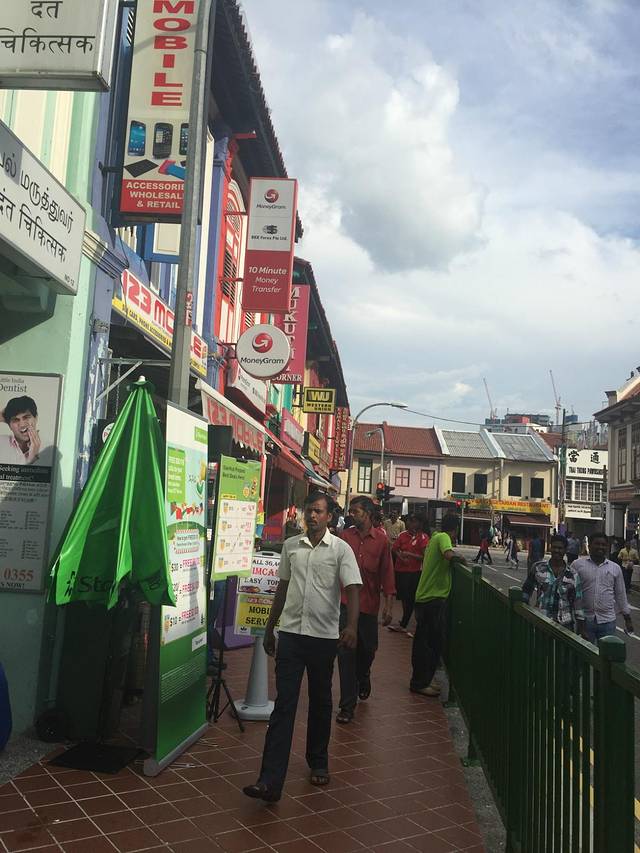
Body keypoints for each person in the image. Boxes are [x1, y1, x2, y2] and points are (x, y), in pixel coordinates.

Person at [243, 492, 362, 802]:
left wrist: (351, 626)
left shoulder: (341, 549)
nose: (312, 516)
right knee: (284, 705)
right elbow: (282, 588)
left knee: (321, 701)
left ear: (329, 516)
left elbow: (353, 589)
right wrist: (270, 628)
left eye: (318, 511)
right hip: (292, 635)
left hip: (323, 638)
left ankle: (318, 761)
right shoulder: (291, 546)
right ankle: (269, 781)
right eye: (309, 510)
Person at [337, 495, 395, 723]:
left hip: (369, 607)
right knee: (345, 653)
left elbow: (387, 574)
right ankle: (347, 706)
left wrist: (388, 606)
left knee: (367, 651)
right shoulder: (345, 537)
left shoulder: (381, 541)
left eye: (356, 512)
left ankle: (364, 675)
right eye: (350, 511)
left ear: (368, 514)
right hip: (344, 604)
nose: (351, 515)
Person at [410, 513, 464, 697]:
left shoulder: (434, 537)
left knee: (425, 642)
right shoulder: (443, 537)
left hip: (425, 597)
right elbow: (448, 554)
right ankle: (420, 682)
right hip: (432, 599)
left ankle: (423, 680)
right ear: (455, 529)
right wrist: (461, 558)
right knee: (431, 644)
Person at [574, 532, 634, 644]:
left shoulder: (615, 568)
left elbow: (620, 594)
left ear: (607, 547)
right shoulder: (577, 565)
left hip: (608, 621)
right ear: (589, 546)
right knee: (585, 653)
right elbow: (571, 592)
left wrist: (628, 619)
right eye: (597, 544)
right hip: (584, 621)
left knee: (607, 653)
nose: (600, 547)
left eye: (603, 545)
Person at [522, 534, 584, 632]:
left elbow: (578, 603)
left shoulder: (573, 574)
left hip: (564, 625)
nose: (556, 550)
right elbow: (526, 590)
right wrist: (524, 610)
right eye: (554, 547)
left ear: (565, 550)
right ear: (550, 548)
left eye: (560, 548)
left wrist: (581, 628)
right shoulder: (538, 568)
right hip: (541, 621)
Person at [389, 514, 430, 633]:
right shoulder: (403, 535)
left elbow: (425, 556)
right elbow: (395, 549)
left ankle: (405, 623)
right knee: (403, 597)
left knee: (411, 598)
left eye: (414, 521)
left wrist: (409, 555)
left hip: (414, 572)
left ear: (420, 524)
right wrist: (401, 557)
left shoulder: (423, 537)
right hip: (401, 570)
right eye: (410, 521)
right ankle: (405, 620)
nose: (411, 524)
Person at [0, 396, 42, 465]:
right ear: (9, 425)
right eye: (15, 420)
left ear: (36, 418)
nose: (22, 425)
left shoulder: (50, 447)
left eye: (26, 417)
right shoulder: (1, 442)